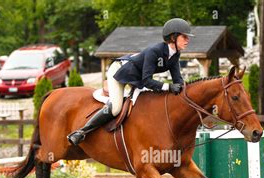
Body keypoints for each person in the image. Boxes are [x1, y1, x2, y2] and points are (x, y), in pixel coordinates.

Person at [67, 18, 194, 146]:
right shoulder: (154, 51)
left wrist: (187, 92)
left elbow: (178, 79)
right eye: (185, 37)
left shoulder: (175, 54)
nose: (188, 40)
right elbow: (147, 80)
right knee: (116, 108)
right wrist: (168, 86)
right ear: (173, 37)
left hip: (137, 77)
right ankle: (81, 132)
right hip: (120, 72)